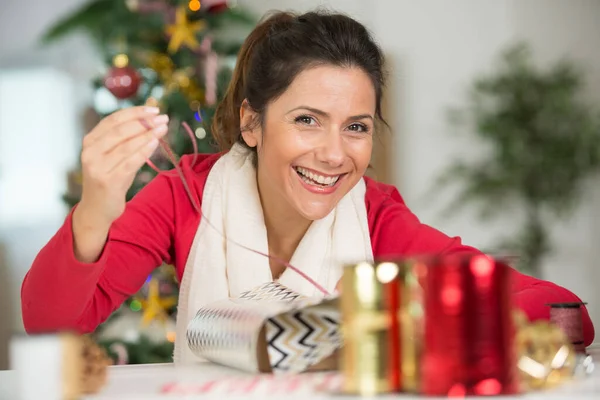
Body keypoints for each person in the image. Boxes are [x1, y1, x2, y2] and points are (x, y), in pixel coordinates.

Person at [21, 10, 594, 364]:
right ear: (251, 123)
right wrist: (96, 209)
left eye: (356, 128)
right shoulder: (184, 198)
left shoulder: (376, 217)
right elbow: (52, 324)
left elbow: (562, 311)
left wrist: (418, 327)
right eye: (306, 119)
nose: (334, 153)